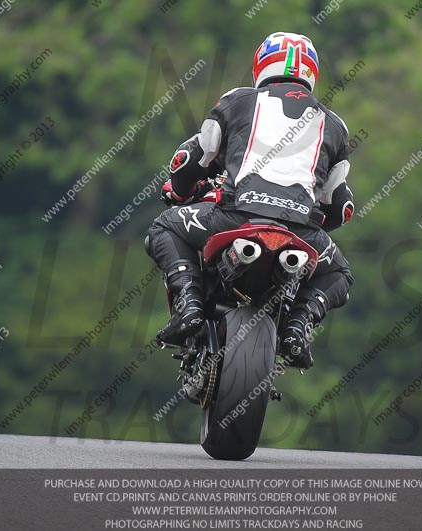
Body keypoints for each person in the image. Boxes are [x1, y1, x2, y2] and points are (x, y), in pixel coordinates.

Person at [145, 32, 355, 369]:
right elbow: (339, 205)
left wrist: (179, 192)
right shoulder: (336, 126)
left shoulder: (237, 100)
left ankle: (190, 305)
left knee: (163, 228)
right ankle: (297, 328)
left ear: (261, 65)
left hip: (235, 216)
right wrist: (310, 217)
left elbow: (195, 156)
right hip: (300, 230)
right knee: (340, 273)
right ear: (312, 73)